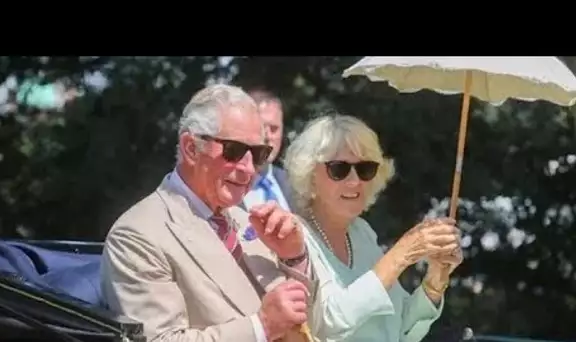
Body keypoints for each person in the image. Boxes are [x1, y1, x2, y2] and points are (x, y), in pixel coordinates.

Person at [100, 84, 318, 342]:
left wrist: (293, 257)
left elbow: (310, 322)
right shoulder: (137, 236)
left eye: (258, 153)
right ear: (192, 148)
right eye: (234, 151)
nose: (249, 169)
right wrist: (262, 327)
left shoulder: (246, 220)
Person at [283, 114, 463, 342]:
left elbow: (401, 330)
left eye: (365, 169)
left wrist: (435, 281)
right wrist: (401, 255)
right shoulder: (293, 237)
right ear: (310, 174)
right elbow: (327, 326)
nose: (354, 181)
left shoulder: (362, 232)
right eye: (338, 169)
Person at [241, 88, 293, 211]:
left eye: (274, 129)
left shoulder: (294, 185)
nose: (268, 136)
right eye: (261, 127)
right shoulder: (227, 183)